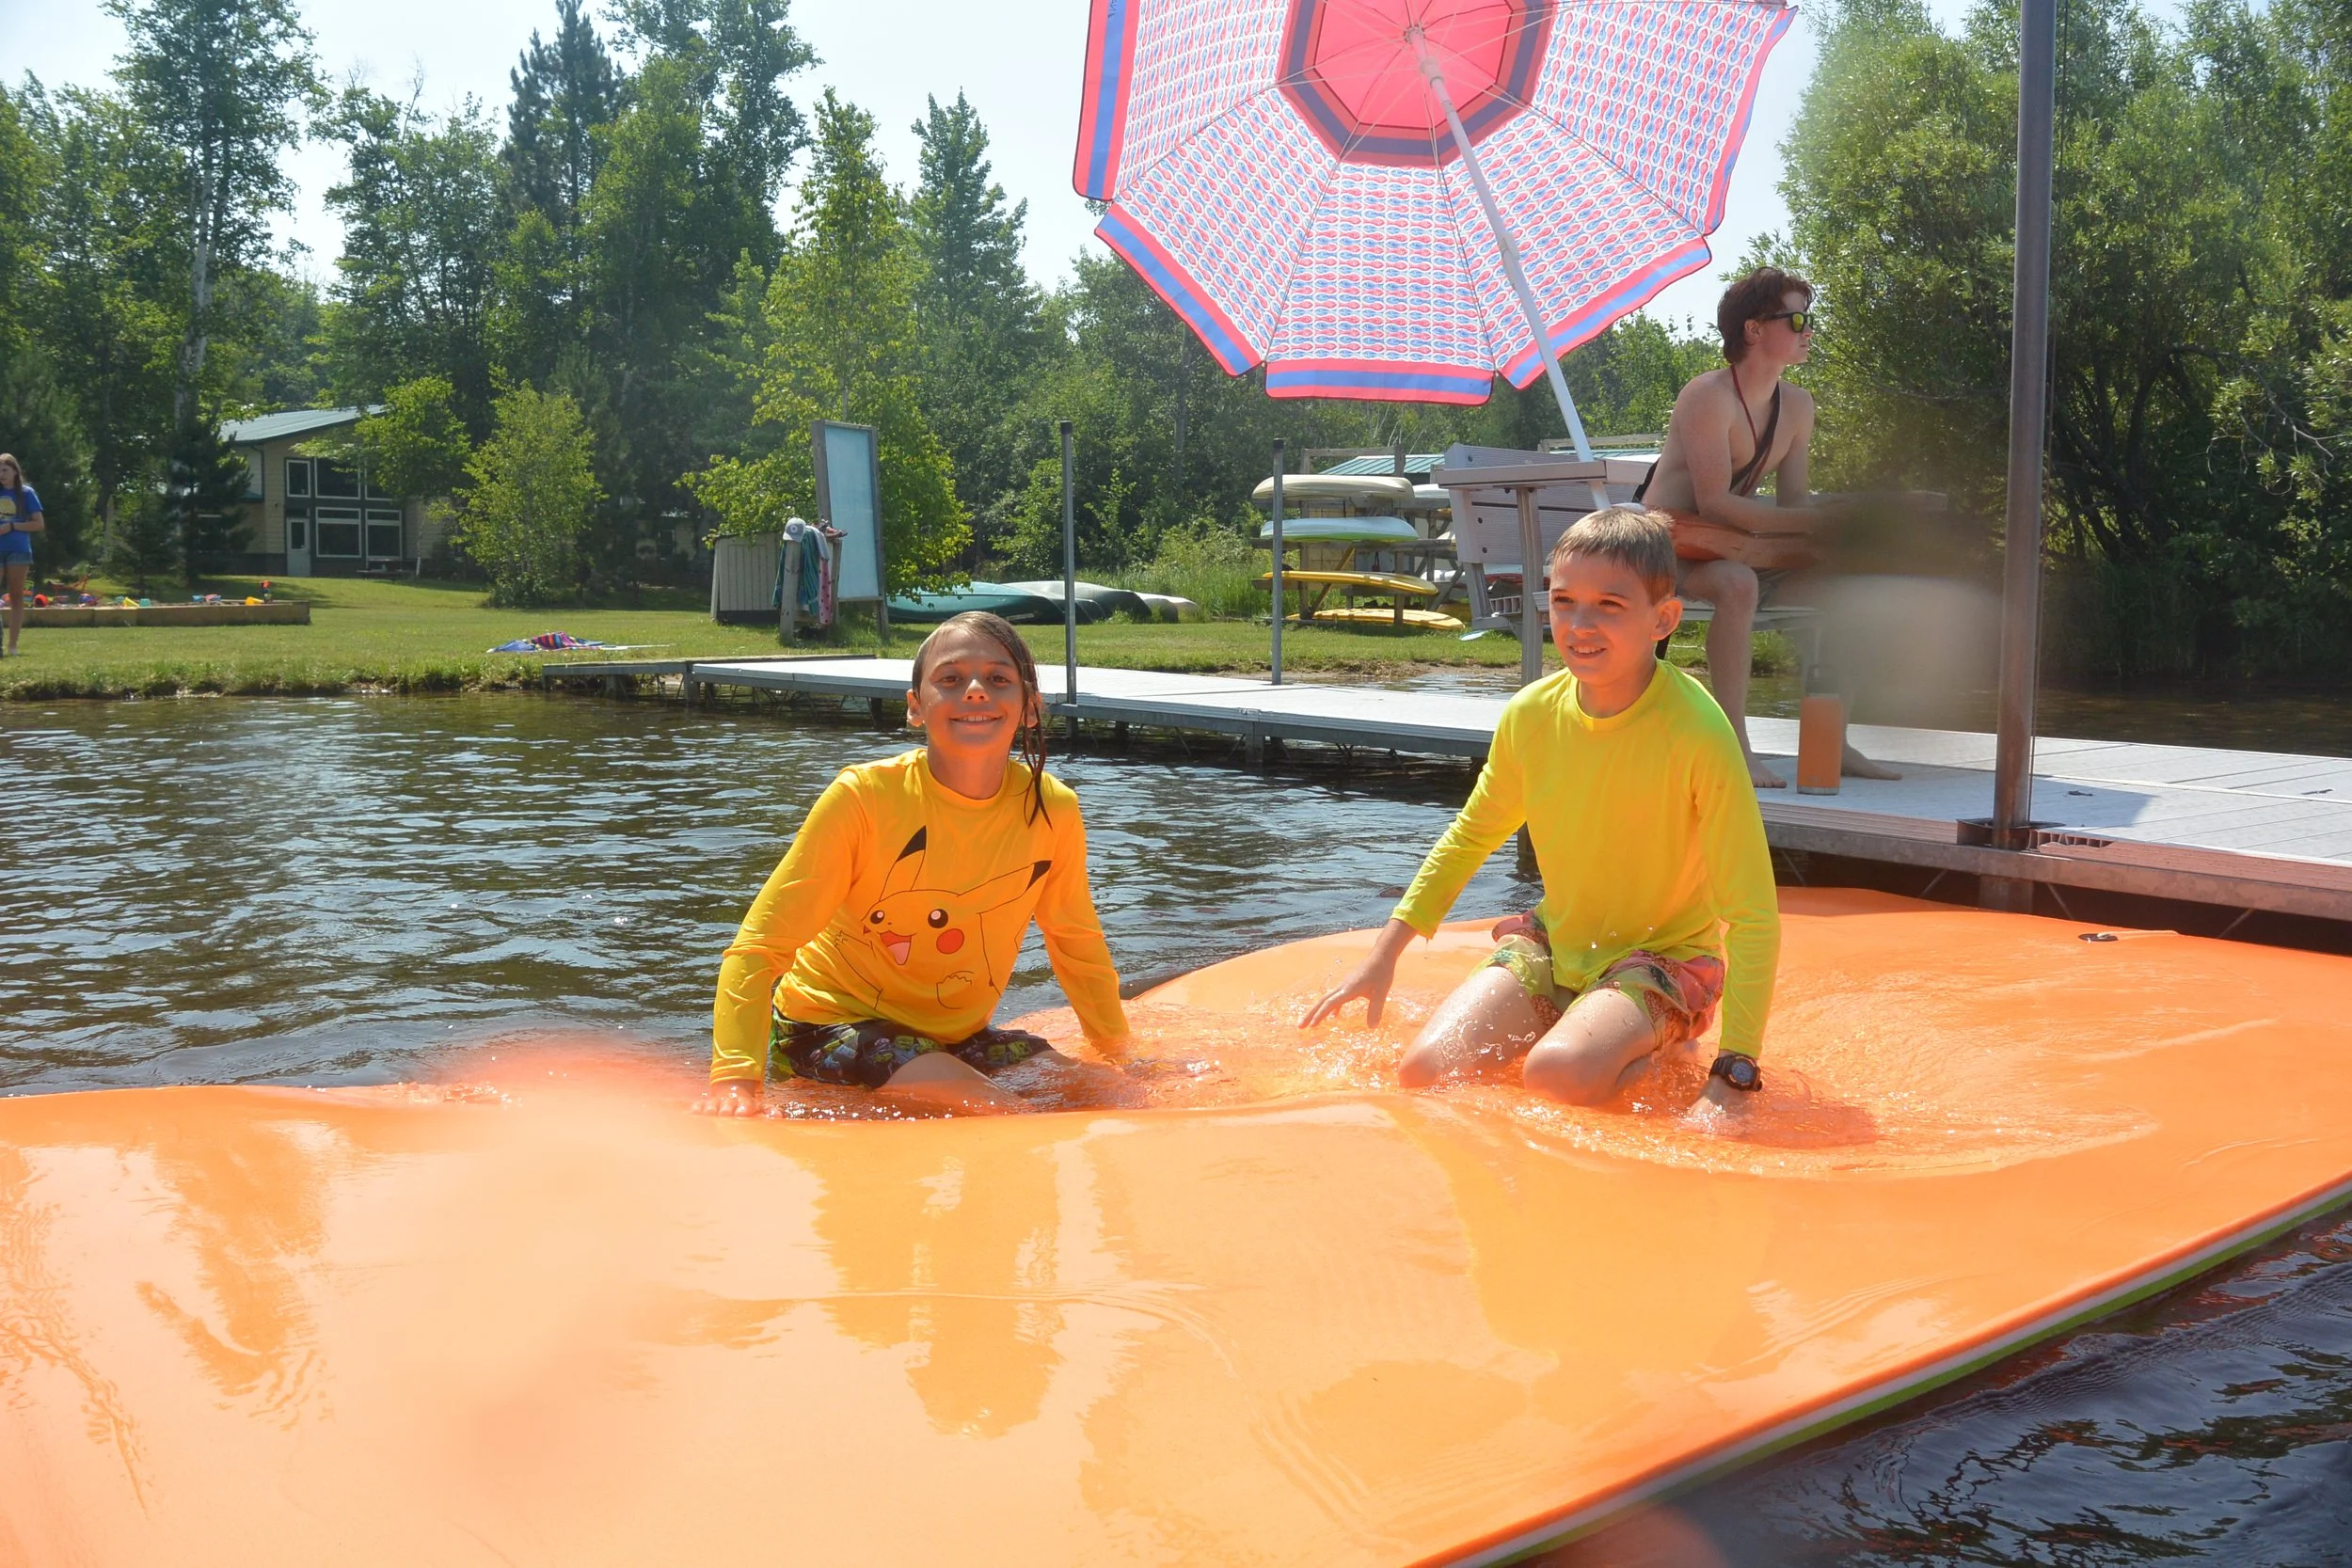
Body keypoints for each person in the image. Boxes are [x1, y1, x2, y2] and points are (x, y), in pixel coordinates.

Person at [1303, 507, 1778, 1123]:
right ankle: (1585, 1024)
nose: (1580, 624)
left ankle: (1658, 1043)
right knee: (1424, 1070)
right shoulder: (1531, 717)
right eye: (1564, 601)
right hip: (1558, 945)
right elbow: (1470, 835)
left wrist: (1733, 1077)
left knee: (1553, 1075)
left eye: (1610, 604)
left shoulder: (1697, 730)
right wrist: (1384, 952)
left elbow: (1753, 914)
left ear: (1663, 618)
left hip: (1663, 957)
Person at [698, 610, 1131, 1116]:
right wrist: (734, 1082)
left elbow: (1075, 943)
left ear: (1030, 707)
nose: (974, 691)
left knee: (1113, 1096)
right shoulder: (863, 798)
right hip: (826, 1027)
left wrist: (1118, 1053)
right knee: (1003, 1110)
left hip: (956, 1037)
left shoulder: (1052, 808)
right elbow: (758, 947)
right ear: (915, 708)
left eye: (998, 679)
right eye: (950, 679)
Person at [1638, 267, 1897, 788]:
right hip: (1669, 546)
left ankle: (1834, 742)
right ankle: (1736, 745)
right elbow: (1715, 504)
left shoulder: (1798, 406)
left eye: (1809, 318)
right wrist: (1816, 523)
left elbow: (1794, 502)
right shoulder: (1707, 395)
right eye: (1797, 318)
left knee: (1846, 585)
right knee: (1736, 583)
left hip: (1735, 545)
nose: (1808, 331)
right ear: (1754, 329)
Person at [0, 453, 45, 658]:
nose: (1, 474)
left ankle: (13, 645)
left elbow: (38, 524)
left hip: (18, 549)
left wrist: (12, 526)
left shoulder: (26, 493)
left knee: (16, 596)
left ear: (15, 471)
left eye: (4, 470)